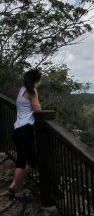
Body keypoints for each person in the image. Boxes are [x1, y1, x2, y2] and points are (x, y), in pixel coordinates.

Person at [8, 69, 42, 201]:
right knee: (21, 163)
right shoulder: (32, 91)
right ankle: (18, 193)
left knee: (32, 160)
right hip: (25, 131)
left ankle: (14, 186)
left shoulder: (22, 90)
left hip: (17, 130)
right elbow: (37, 109)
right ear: (36, 80)